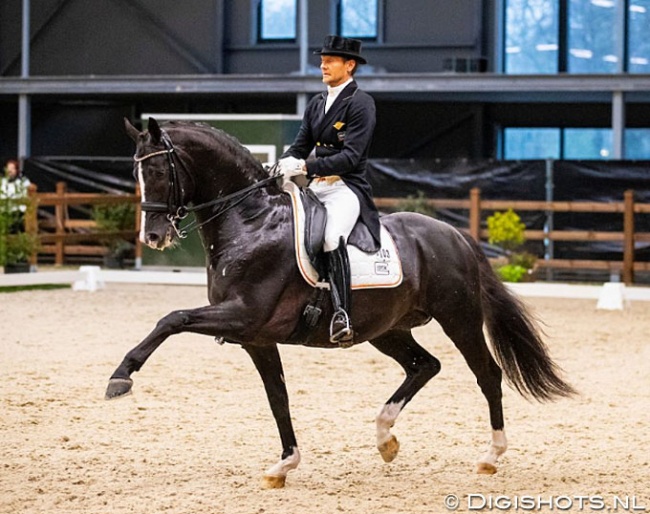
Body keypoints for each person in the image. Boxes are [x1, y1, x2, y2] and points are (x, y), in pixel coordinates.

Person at [278, 35, 381, 346]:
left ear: (349, 66)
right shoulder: (317, 103)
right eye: (322, 58)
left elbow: (351, 157)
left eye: (331, 60)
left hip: (346, 187)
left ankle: (341, 313)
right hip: (316, 188)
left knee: (330, 236)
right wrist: (283, 164)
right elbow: (299, 147)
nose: (323, 64)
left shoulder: (361, 104)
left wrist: (306, 167)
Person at [1, 159, 31, 233]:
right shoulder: (2, 182)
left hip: (18, 213)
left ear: (16, 170)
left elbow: (26, 196)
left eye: (12, 168)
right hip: (4, 212)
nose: (10, 171)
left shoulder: (23, 182)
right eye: (8, 168)